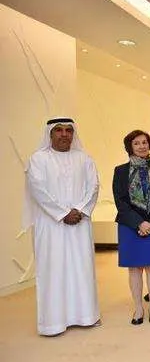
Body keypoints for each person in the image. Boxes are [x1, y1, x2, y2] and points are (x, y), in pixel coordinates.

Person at [24, 117, 100, 336]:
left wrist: (79, 210)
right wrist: (62, 213)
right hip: (50, 226)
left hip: (80, 223)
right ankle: (53, 323)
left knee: (82, 268)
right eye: (59, 131)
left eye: (68, 130)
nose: (64, 134)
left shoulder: (84, 158)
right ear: (50, 134)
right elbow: (37, 189)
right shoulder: (38, 159)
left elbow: (93, 186)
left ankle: (86, 316)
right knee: (53, 269)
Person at [112, 130, 150, 325]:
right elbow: (120, 201)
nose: (142, 146)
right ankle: (138, 307)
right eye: (137, 143)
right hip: (130, 225)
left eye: (145, 142)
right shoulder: (120, 171)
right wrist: (139, 223)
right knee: (134, 269)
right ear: (130, 147)